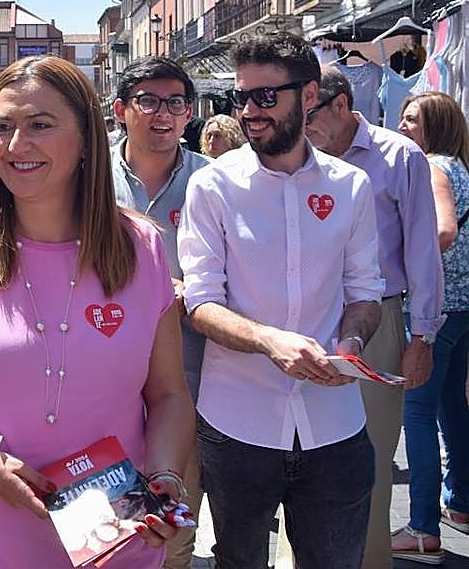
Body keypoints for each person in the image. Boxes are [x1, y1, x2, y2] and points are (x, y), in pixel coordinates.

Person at [0, 55, 195, 567]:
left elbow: (168, 393)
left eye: (40, 126)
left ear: (84, 139)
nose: (15, 145)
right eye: (3, 127)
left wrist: (164, 477)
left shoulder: (142, 246)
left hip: (114, 542)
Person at [179, 32, 384, 569]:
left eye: (266, 97)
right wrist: (270, 341)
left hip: (335, 426)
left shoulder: (352, 186)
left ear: (308, 93)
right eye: (240, 99)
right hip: (236, 426)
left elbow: (366, 292)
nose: (250, 112)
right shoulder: (213, 187)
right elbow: (200, 303)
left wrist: (353, 342)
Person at [302, 67, 443, 568]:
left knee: (371, 459)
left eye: (309, 110)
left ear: (340, 104)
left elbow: (424, 249)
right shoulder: (300, 157)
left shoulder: (398, 156)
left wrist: (422, 334)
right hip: (307, 321)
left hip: (378, 319)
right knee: (301, 461)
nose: (300, 122)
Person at [110, 56, 210, 569]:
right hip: (104, 379)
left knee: (172, 526)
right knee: (111, 524)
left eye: (175, 102)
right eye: (148, 101)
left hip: (189, 377)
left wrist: (185, 290)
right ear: (122, 109)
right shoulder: (88, 177)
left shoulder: (214, 183)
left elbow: (238, 274)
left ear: (188, 112)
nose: (163, 113)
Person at [391, 92, 469, 563]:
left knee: (416, 414)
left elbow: (443, 231)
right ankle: (459, 503)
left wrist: (404, 263)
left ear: (434, 126)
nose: (402, 126)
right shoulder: (461, 166)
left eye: (412, 119)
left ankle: (421, 528)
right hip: (463, 305)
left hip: (438, 309)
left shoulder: (433, 167)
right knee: (450, 409)